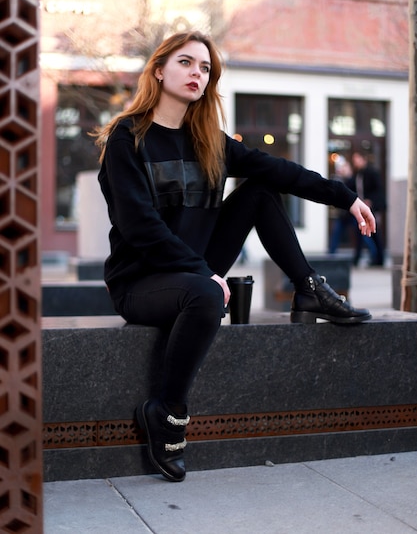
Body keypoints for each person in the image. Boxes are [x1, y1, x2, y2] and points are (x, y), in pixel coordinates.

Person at [94, 31, 376, 483]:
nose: (197, 74)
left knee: (261, 191)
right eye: (186, 63)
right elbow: (138, 226)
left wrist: (344, 196)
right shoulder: (127, 138)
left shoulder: (209, 140)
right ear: (159, 70)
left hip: (195, 269)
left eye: (205, 69)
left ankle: (308, 290)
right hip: (141, 280)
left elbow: (280, 169)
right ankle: (167, 411)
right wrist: (204, 272)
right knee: (205, 296)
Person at [348, 151, 386, 266]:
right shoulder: (357, 174)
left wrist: (371, 201)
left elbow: (378, 189)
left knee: (374, 233)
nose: (355, 162)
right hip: (360, 208)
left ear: (363, 159)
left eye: (357, 159)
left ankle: (379, 259)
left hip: (371, 208)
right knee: (360, 233)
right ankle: (357, 259)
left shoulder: (372, 172)